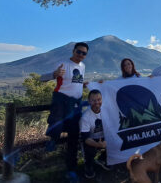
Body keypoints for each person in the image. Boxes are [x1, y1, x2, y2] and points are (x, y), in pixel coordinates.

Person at [40, 42, 89, 182]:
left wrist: (83, 84)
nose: (81, 55)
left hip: (76, 102)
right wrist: (54, 74)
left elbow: (76, 82)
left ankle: (71, 170)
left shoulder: (83, 67)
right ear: (73, 51)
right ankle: (53, 139)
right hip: (61, 99)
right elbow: (42, 78)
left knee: (74, 137)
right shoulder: (63, 63)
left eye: (84, 53)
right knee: (57, 120)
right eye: (78, 52)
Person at [80, 89, 111, 179]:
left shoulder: (107, 112)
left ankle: (102, 159)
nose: (97, 102)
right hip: (91, 139)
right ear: (89, 101)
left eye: (99, 99)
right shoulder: (85, 117)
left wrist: (106, 141)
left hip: (104, 138)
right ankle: (88, 165)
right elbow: (85, 138)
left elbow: (111, 130)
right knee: (89, 150)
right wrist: (98, 144)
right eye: (93, 100)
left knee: (116, 141)